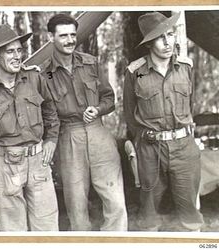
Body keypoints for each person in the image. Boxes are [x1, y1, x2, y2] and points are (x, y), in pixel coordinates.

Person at [0, 24, 60, 231]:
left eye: (19, 50)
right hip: (4, 165)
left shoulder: (35, 78)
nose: (17, 56)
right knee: (12, 231)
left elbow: (50, 112)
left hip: (38, 161)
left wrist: (52, 140)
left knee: (47, 228)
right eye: (10, 51)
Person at [40, 14, 128, 231]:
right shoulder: (44, 75)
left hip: (98, 134)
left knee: (115, 200)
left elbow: (109, 98)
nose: (70, 40)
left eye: (73, 34)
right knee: (76, 206)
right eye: (63, 36)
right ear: (51, 38)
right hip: (69, 138)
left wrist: (97, 109)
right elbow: (48, 115)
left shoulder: (91, 63)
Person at [123, 11, 204, 231]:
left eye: (171, 34)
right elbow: (130, 115)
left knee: (190, 213)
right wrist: (142, 144)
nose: (168, 42)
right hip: (151, 150)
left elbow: (191, 106)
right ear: (149, 43)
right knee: (149, 213)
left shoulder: (186, 67)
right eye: (161, 37)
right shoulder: (135, 72)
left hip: (184, 148)